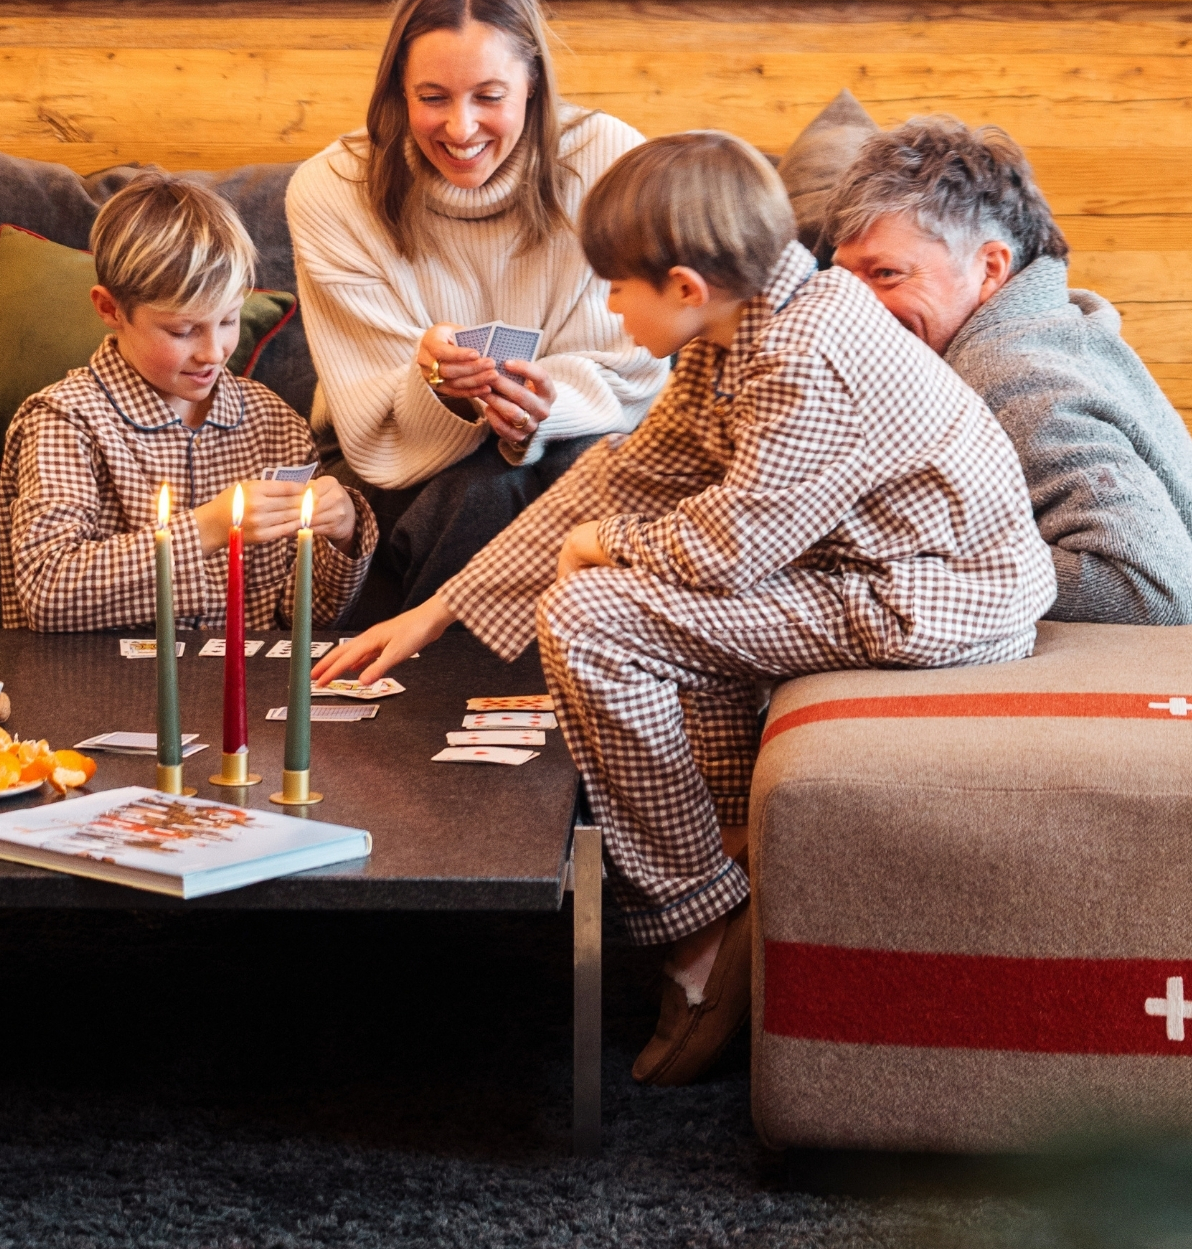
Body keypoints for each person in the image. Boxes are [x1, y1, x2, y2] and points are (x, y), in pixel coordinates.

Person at [319, 131, 1053, 1086]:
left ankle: (699, 921)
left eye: (616, 289)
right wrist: (439, 610)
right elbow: (628, 477)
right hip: (868, 571)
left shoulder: (808, 355)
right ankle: (722, 858)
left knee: (593, 616)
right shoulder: (744, 327)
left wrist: (601, 551)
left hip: (933, 593)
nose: (611, 310)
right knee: (618, 600)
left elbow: (730, 548)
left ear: (684, 286)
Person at [285, 0, 667, 617]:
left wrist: (545, 402)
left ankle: (485, 706)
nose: (460, 129)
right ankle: (461, 711)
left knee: (581, 479)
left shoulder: (609, 161)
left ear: (533, 86)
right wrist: (433, 384)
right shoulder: (331, 191)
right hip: (397, 457)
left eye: (489, 96)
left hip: (580, 433)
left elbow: (633, 367)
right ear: (399, 89)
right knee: (480, 494)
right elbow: (370, 425)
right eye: (432, 98)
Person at [822, 114, 1192, 626]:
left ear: (990, 269)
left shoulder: (1013, 374)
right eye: (843, 278)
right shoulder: (1046, 330)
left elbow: (1152, 587)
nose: (851, 306)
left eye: (886, 274)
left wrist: (910, 558)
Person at [0, 174, 376, 633]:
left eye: (228, 320)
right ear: (109, 309)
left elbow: (304, 624)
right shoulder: (65, 422)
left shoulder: (276, 424)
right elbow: (47, 593)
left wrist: (343, 534)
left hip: (247, 690)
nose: (214, 352)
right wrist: (209, 528)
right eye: (182, 331)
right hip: (104, 688)